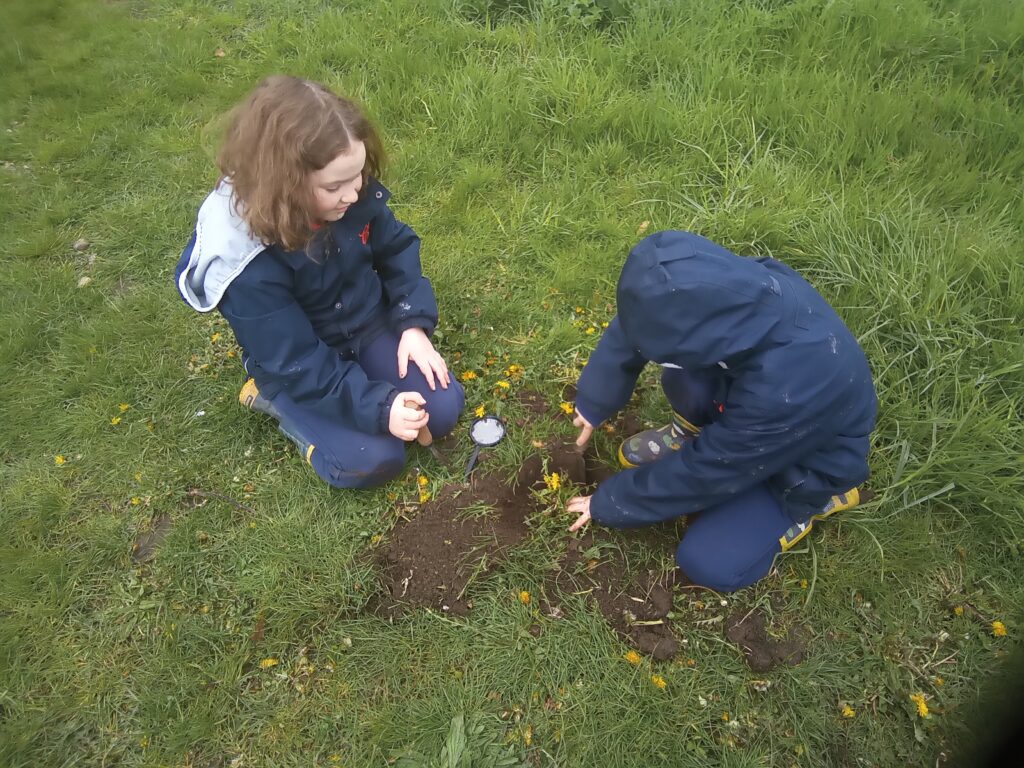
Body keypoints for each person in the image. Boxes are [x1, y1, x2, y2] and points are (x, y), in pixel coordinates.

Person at [174, 75, 464, 488]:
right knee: (371, 461)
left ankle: (370, 386)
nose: (354, 193)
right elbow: (299, 361)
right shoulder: (245, 262)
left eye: (358, 175)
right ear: (285, 185)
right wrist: (383, 408)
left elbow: (397, 247)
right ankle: (274, 400)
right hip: (300, 363)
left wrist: (411, 323)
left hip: (365, 322)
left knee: (442, 408)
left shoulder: (348, 191)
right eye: (335, 187)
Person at [566, 230, 877, 592]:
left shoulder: (791, 384)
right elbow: (640, 320)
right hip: (754, 417)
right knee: (683, 375)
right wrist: (595, 400)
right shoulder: (723, 288)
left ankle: (812, 505)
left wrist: (610, 501)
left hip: (808, 461)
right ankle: (695, 432)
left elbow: (711, 470)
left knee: (709, 562)